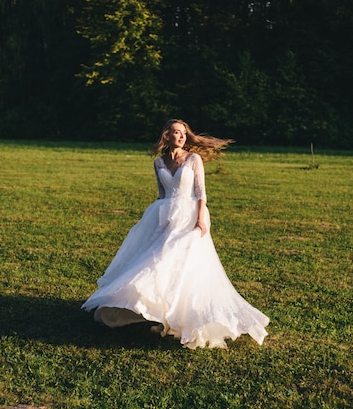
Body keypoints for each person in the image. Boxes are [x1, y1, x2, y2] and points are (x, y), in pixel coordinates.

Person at [82, 119, 269, 349]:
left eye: (183, 133)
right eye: (176, 133)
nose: (180, 136)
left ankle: (181, 314)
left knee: (180, 262)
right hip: (164, 216)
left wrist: (201, 219)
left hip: (190, 217)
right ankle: (154, 310)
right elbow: (162, 195)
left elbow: (201, 193)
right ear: (166, 136)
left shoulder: (193, 159)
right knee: (156, 261)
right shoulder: (159, 163)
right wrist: (153, 222)